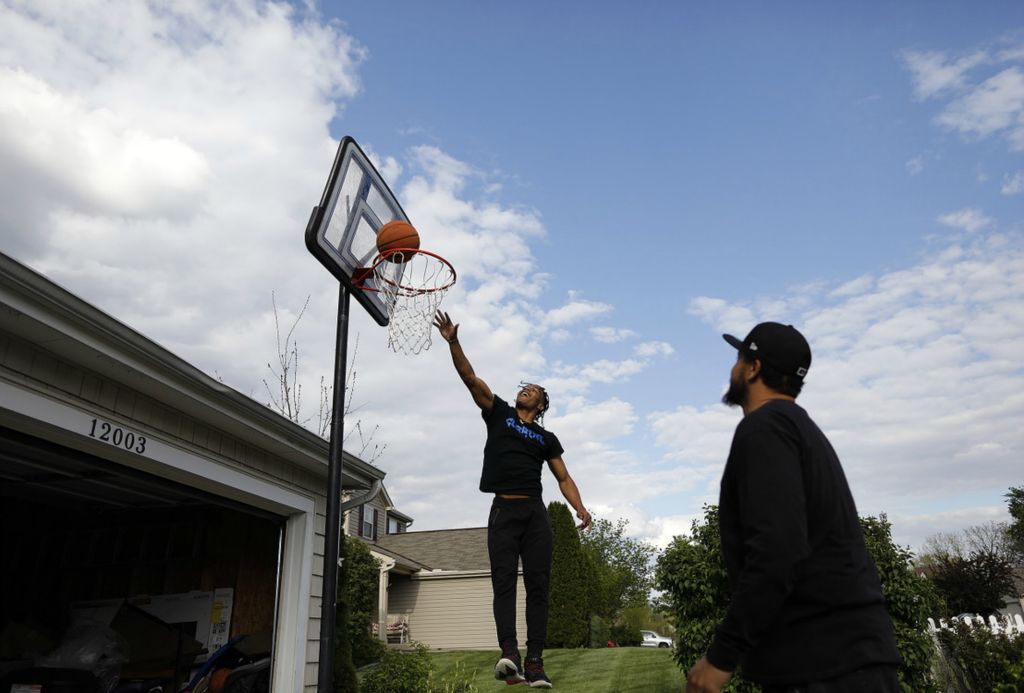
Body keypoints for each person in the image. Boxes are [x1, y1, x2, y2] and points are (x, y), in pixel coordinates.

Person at [687, 322, 901, 693]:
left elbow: (778, 550)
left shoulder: (765, 428)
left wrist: (721, 657)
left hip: (821, 666)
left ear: (753, 368)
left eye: (740, 358)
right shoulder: (800, 429)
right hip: (847, 659)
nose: (733, 368)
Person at [434, 311, 592, 689]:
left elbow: (563, 476)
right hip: (503, 510)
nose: (526, 389)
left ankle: (536, 662)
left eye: (534, 389)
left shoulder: (547, 438)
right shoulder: (500, 413)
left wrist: (580, 507)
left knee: (539, 586)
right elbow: (470, 380)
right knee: (503, 583)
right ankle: (510, 654)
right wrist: (454, 341)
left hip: (535, 516)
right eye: (525, 386)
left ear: (541, 404)